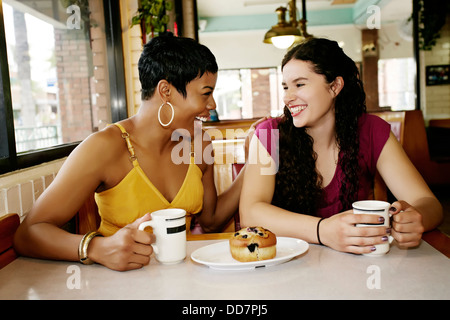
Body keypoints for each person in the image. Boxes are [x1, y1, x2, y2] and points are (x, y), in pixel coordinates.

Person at [14, 34, 254, 271]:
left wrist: (253, 163)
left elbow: (211, 222)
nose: (212, 105)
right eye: (205, 93)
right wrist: (97, 248)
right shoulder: (105, 147)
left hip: (185, 281)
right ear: (166, 91)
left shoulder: (199, 143)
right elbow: (28, 234)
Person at [239, 38, 443, 255]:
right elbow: (251, 214)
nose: (288, 97)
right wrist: (322, 230)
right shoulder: (269, 134)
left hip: (356, 271)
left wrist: (415, 218)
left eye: (299, 84)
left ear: (335, 86)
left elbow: (429, 203)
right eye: (286, 87)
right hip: (287, 267)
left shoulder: (371, 130)